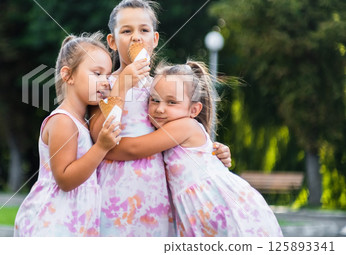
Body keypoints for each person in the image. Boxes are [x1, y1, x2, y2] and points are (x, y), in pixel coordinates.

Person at [89, 0, 231, 236]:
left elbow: (179, 135)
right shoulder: (104, 85)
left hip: (156, 195)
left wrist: (212, 151)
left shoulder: (160, 89)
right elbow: (97, 134)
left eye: (144, 30)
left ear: (154, 40)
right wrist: (121, 86)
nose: (136, 37)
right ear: (112, 42)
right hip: (115, 195)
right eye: (126, 31)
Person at [106, 61, 283, 237]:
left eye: (171, 102)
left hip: (222, 209)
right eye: (154, 100)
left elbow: (133, 149)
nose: (160, 109)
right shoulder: (168, 130)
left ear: (194, 110)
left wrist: (103, 148)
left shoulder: (185, 126)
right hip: (200, 212)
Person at [14, 32, 121, 236]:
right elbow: (65, 179)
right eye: (97, 74)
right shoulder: (63, 121)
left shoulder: (82, 123)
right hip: (53, 223)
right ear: (68, 75)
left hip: (73, 224)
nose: (106, 82)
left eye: (108, 75)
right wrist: (101, 147)